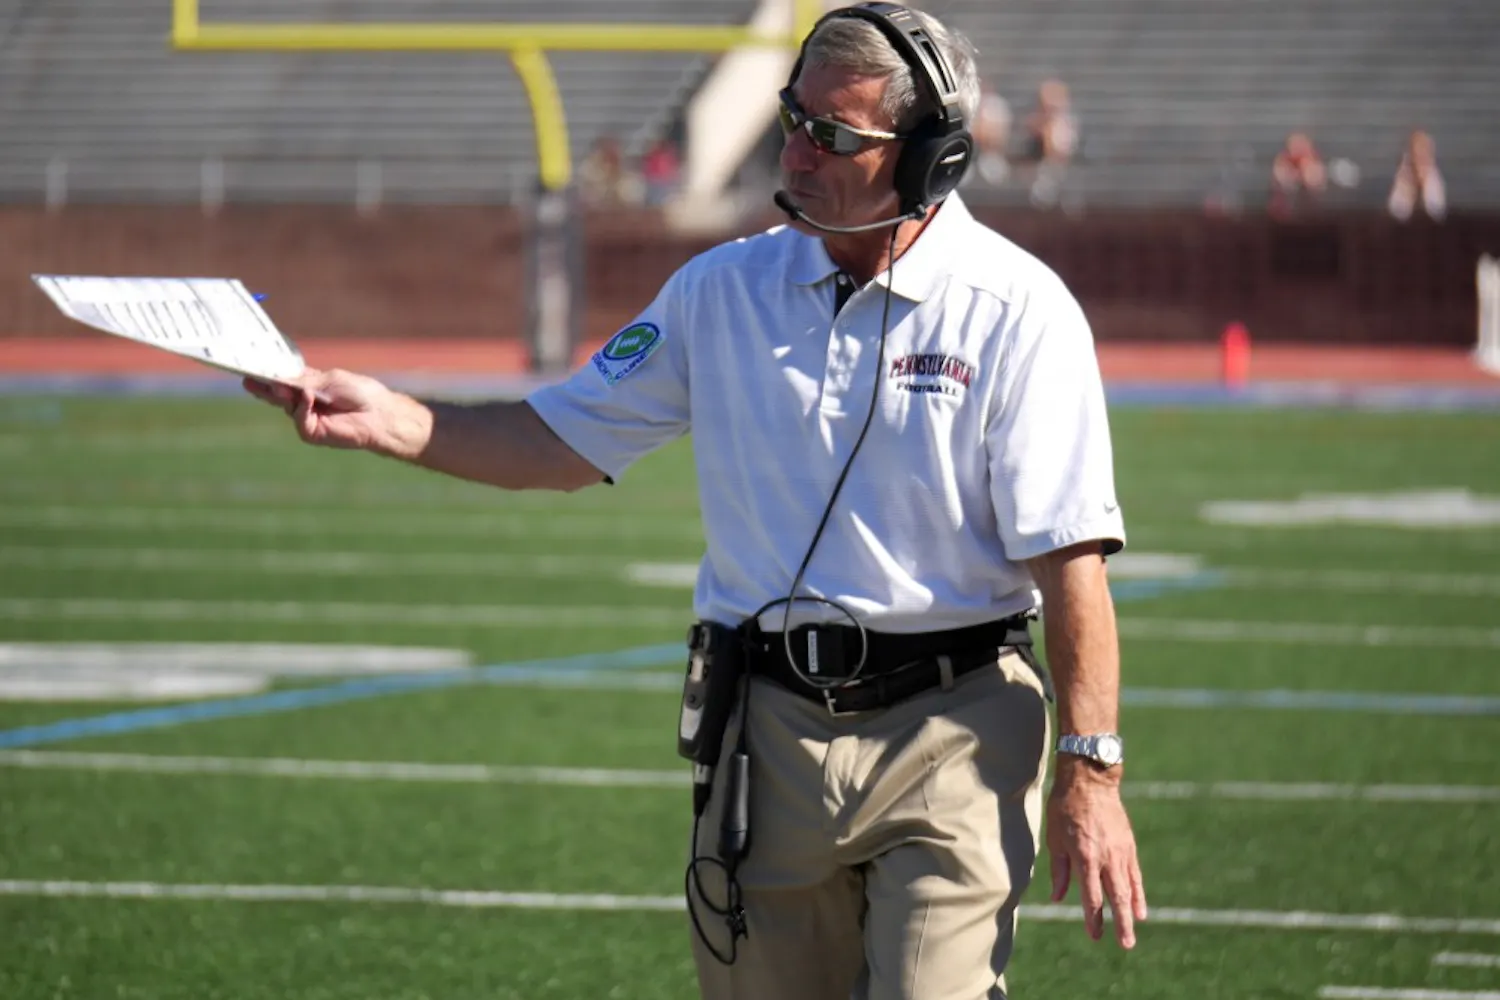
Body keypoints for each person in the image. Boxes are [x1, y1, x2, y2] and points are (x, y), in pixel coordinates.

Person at [245, 4, 1147, 997]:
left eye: (833, 135)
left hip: (956, 721)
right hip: (765, 729)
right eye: (791, 118)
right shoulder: (720, 289)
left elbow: (1073, 563)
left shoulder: (1019, 311)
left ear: (932, 159)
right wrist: (389, 419)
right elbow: (558, 439)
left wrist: (1091, 772)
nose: (796, 150)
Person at [1387, 128, 1446, 222]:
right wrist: (1410, 189)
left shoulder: (1433, 176)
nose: (1420, 156)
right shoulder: (1404, 175)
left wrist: (1424, 183)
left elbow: (1437, 210)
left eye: (1424, 150)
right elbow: (1396, 211)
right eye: (1416, 151)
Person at [1269, 130, 1327, 218]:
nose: (1298, 150)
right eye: (1295, 146)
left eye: (1302, 146)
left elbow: (1316, 186)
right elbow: (1283, 186)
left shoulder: (1315, 164)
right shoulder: (1282, 163)